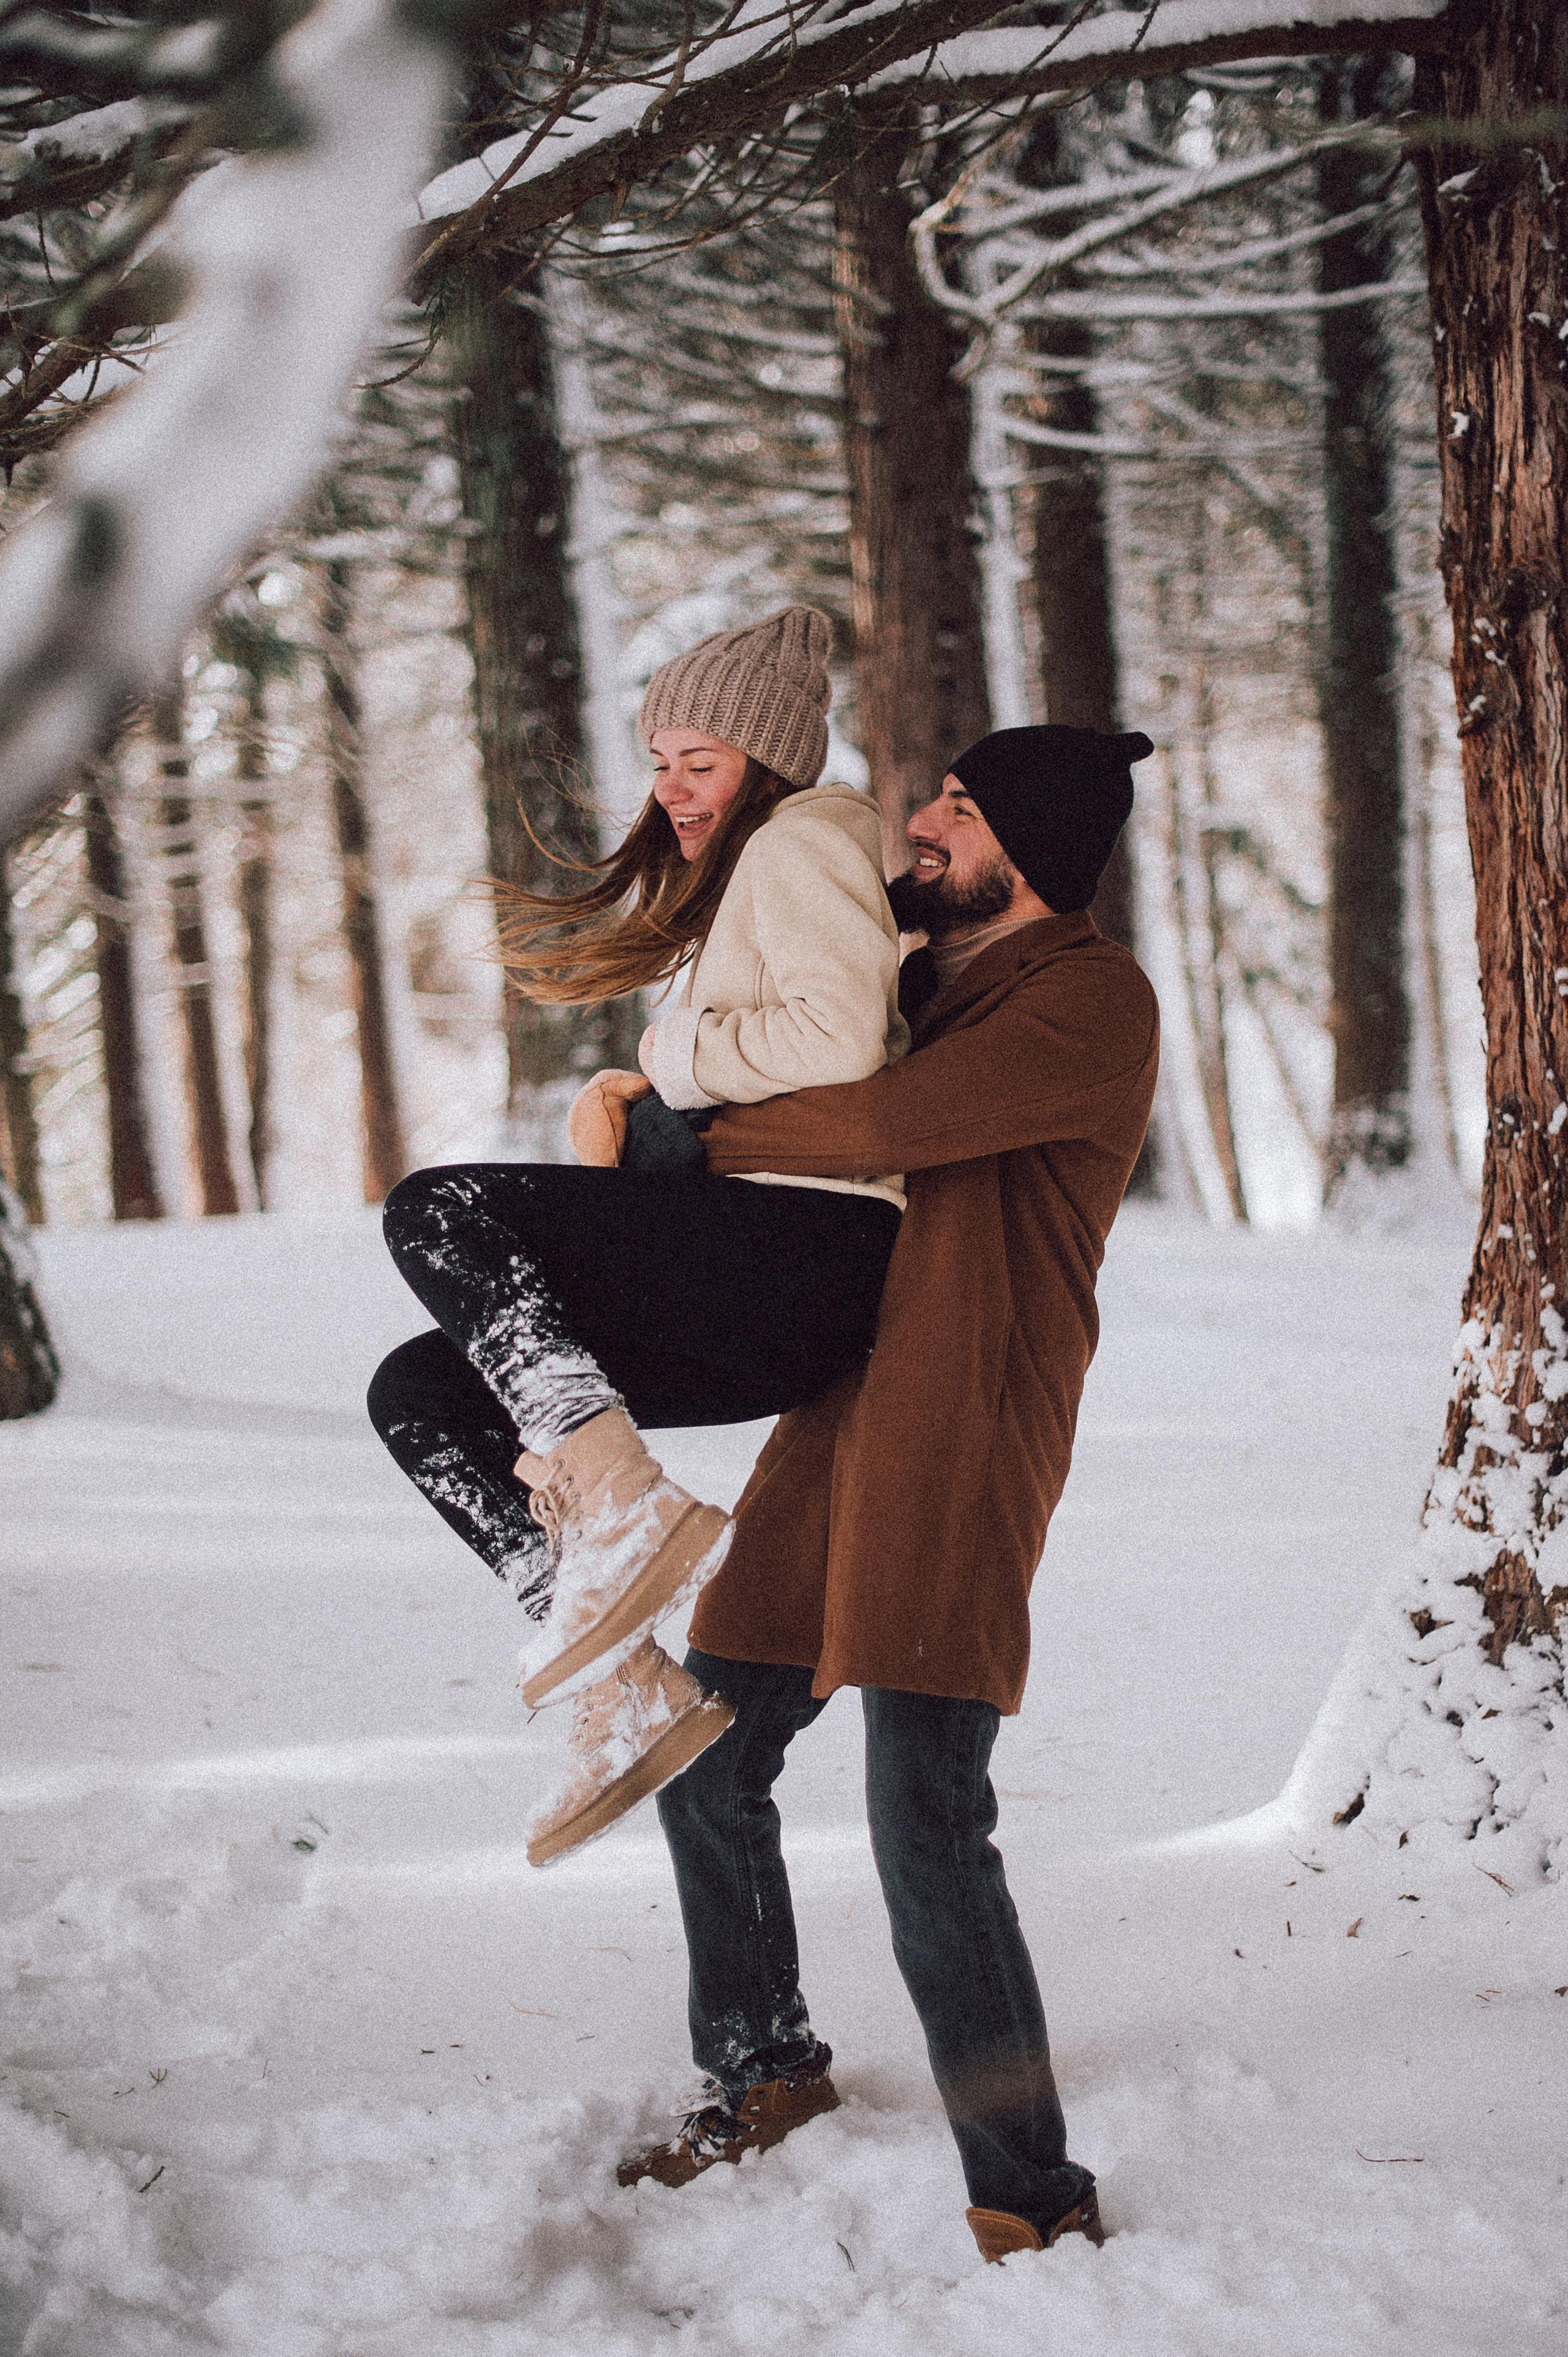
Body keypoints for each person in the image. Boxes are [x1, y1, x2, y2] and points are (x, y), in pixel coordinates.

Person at [615, 723, 1161, 2271]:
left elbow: (878, 1123)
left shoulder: (1087, 998)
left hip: (964, 1425)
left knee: (924, 1816)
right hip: (846, 1407)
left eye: (960, 809)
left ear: (1032, 849)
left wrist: (683, 1130)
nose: (921, 822)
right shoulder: (921, 982)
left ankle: (1030, 2194)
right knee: (706, 1753)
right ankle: (765, 2069)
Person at [367, 607, 910, 1864]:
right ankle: (615, 1670)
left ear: (768, 760)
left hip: (807, 1250)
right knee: (418, 1392)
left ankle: (617, 1501)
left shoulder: (804, 835)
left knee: (439, 1208)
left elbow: (837, 1036)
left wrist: (669, 1058)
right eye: (661, 761)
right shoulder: (755, 866)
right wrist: (655, 1104)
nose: (670, 788)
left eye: (699, 761)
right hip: (755, 1273)